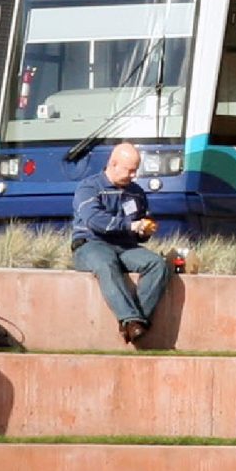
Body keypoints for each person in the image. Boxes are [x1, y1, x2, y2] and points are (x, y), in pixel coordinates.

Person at [70, 142, 171, 344]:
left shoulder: (136, 192)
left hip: (125, 246)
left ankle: (137, 321)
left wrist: (144, 230)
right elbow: (95, 221)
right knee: (106, 264)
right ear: (113, 164)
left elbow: (140, 223)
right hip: (91, 243)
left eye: (135, 171)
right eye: (130, 170)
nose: (133, 176)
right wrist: (131, 226)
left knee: (157, 264)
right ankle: (130, 320)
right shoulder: (89, 187)